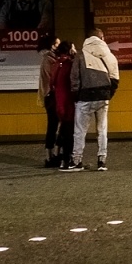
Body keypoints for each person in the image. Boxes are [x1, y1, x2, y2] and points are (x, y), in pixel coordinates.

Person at [62, 32, 119, 171]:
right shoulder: (110, 56)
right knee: (102, 129)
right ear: (102, 38)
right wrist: (108, 94)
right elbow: (115, 79)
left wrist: (76, 95)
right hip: (103, 96)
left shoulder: (80, 56)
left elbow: (74, 77)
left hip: (85, 97)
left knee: (80, 131)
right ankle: (102, 161)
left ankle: (76, 161)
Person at [36, 34, 63, 167]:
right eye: (58, 43)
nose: (60, 46)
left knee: (54, 125)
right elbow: (50, 79)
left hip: (51, 96)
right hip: (52, 96)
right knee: (53, 126)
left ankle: (53, 154)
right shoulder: (49, 60)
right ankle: (50, 155)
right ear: (52, 46)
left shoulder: (50, 59)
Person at [50, 41, 76, 169]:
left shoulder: (56, 64)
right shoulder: (69, 65)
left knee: (64, 129)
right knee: (70, 132)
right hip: (69, 103)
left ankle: (60, 155)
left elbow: (52, 82)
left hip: (59, 102)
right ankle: (68, 159)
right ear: (69, 50)